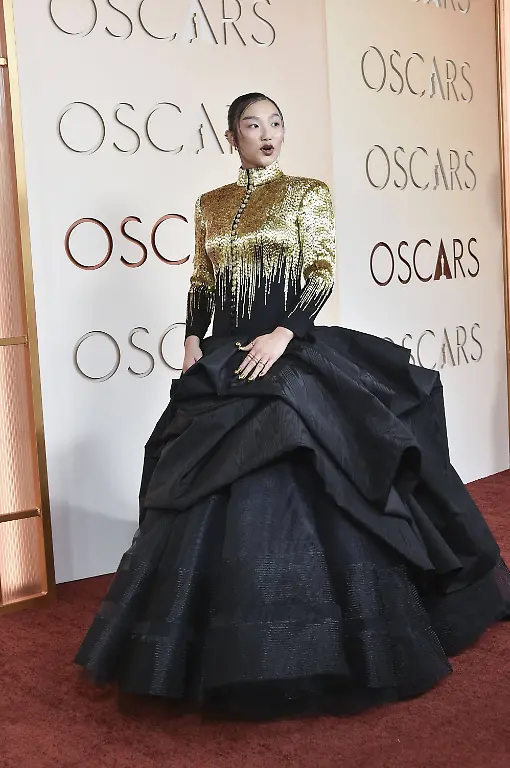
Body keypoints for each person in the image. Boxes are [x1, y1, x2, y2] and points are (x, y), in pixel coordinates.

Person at [76, 92, 510, 719]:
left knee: (310, 450)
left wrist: (285, 334)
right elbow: (201, 280)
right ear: (234, 136)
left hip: (289, 346)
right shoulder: (210, 205)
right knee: (199, 474)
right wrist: (194, 337)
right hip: (225, 355)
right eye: (253, 125)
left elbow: (321, 269)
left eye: (277, 122)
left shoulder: (308, 193)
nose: (267, 133)